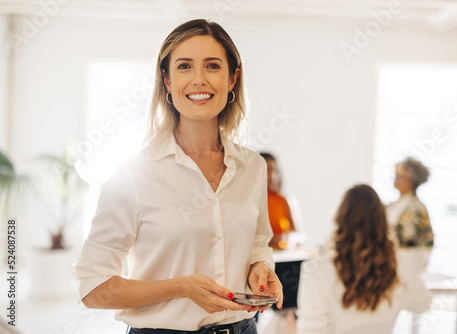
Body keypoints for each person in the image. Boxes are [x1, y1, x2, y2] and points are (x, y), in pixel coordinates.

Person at [71, 19, 283, 334]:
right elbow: (93, 287)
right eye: (184, 66)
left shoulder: (253, 167)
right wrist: (179, 288)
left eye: (212, 66)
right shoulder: (133, 175)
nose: (199, 79)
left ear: (232, 79)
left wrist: (261, 268)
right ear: (167, 80)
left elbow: (257, 245)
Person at [296, 184, 432, 334]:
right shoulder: (400, 264)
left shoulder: (316, 271)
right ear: (383, 222)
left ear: (340, 219)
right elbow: (423, 303)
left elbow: (312, 330)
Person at [386, 157, 434, 249]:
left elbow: (409, 237)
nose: (395, 181)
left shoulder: (417, 208)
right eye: (395, 176)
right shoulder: (392, 205)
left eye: (400, 178)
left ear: (412, 181)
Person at [260, 152, 297, 251]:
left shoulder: (284, 200)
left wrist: (287, 240)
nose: (272, 176)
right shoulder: (250, 202)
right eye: (267, 170)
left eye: (275, 170)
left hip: (283, 257)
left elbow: (298, 235)